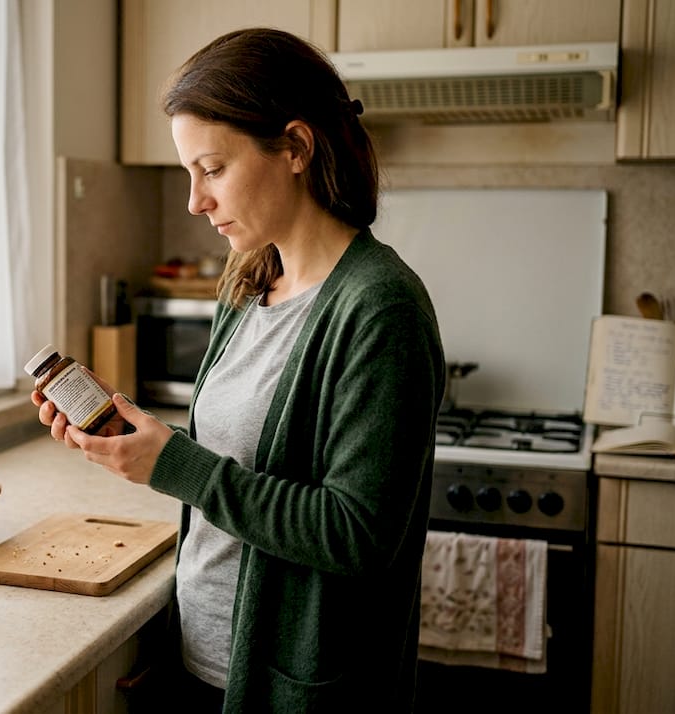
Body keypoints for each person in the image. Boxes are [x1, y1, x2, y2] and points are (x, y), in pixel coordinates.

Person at [32, 27, 445, 713]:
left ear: (295, 148)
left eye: (213, 169)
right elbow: (240, 461)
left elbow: (358, 535)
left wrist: (175, 467)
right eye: (189, 173)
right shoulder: (251, 279)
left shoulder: (380, 308)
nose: (195, 200)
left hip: (296, 692)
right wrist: (133, 432)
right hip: (201, 662)